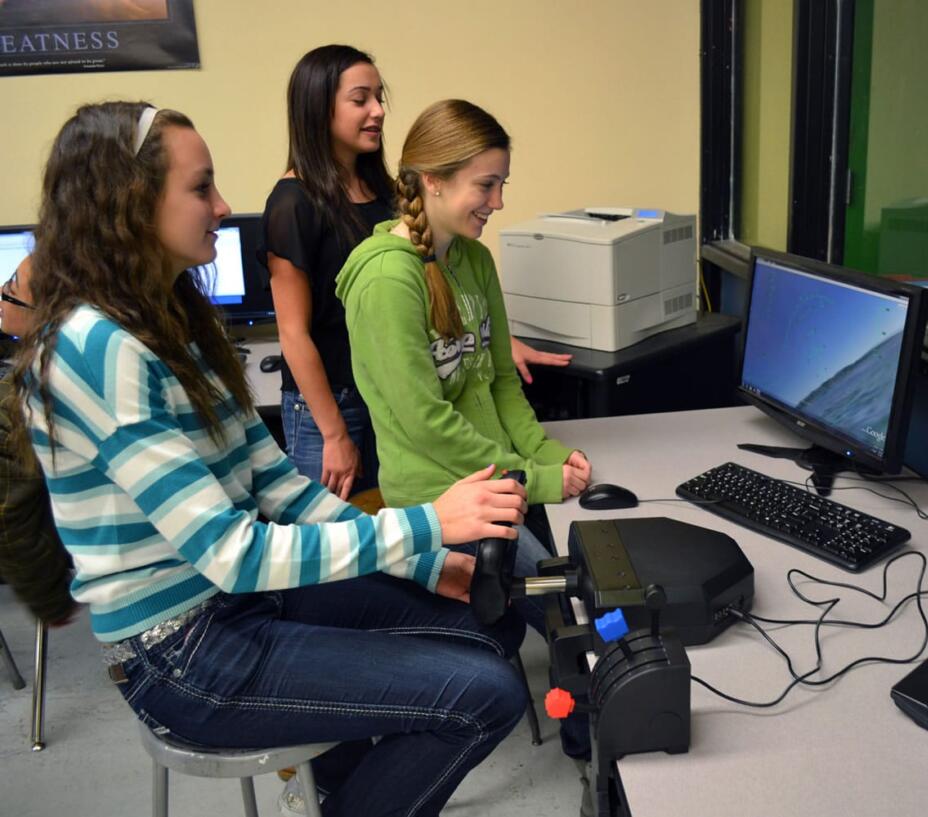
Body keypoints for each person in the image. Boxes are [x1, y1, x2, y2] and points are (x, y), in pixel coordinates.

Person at [11, 100, 534, 817]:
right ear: (128, 203)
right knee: (488, 694)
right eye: (201, 189)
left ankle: (345, 789)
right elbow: (231, 551)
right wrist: (426, 527)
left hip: (236, 604)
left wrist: (422, 559)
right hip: (183, 652)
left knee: (491, 622)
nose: (223, 207)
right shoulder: (99, 349)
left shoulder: (173, 324)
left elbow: (277, 485)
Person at [335, 98, 594, 786]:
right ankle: (593, 739)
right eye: (487, 184)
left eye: (501, 182)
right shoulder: (385, 278)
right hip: (441, 500)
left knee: (571, 600)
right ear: (431, 180)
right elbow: (425, 424)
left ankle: (586, 722)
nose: (499, 200)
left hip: (496, 481)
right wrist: (535, 481)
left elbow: (501, 384)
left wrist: (545, 456)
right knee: (571, 612)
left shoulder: (473, 261)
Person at [263, 45, 567, 500]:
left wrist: (484, 340)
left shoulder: (385, 192)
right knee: (342, 544)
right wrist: (333, 434)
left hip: (395, 386)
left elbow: (432, 284)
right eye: (361, 99)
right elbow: (293, 333)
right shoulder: (293, 203)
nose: (378, 111)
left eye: (379, 97)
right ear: (317, 107)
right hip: (334, 403)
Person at [0, 257, 76, 629]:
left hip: (70, 561)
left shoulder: (20, 398)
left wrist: (51, 603)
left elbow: (11, 521)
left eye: (12, 287)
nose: (2, 293)